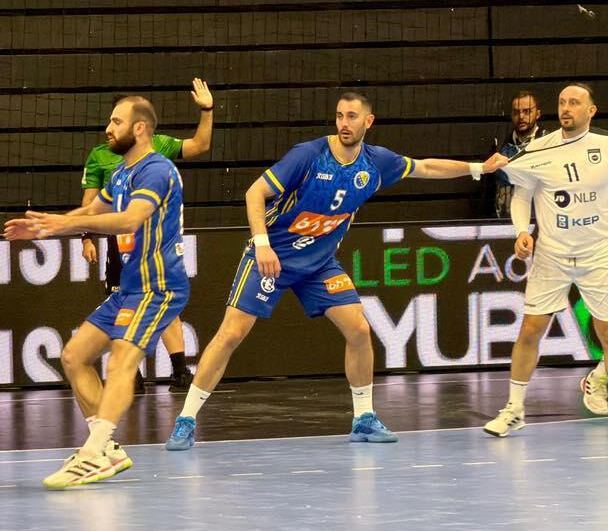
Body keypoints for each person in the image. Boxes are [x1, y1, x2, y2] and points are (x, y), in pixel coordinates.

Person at [163, 92, 506, 451]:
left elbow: (426, 167)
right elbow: (254, 193)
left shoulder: (376, 163)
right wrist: (262, 243)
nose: (344, 123)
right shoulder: (309, 155)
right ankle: (186, 420)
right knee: (231, 333)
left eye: (352, 116)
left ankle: (364, 418)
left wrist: (478, 169)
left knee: (358, 328)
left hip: (319, 263)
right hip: (274, 255)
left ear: (368, 122)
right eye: (340, 115)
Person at [9, 96, 188, 487]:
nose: (108, 128)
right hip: (129, 287)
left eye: (116, 122)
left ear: (139, 128)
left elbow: (130, 219)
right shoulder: (121, 174)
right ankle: (107, 449)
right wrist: (46, 225)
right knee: (74, 356)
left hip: (158, 286)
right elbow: (92, 212)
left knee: (121, 361)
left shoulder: (157, 170)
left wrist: (63, 226)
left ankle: (92, 454)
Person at [483, 83, 608, 436]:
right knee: (530, 329)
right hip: (552, 255)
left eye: (575, 102)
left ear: (591, 111)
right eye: (563, 102)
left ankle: (599, 376)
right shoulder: (538, 149)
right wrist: (522, 231)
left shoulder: (604, 147)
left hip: (598, 253)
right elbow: (522, 196)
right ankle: (514, 409)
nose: (566, 108)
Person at [80, 78, 214, 389]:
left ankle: (179, 369)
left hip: (156, 241)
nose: (111, 126)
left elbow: (200, 145)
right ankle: (131, 373)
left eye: (119, 119)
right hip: (121, 241)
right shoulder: (101, 155)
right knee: (122, 302)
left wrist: (207, 110)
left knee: (162, 301)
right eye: (114, 118)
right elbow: (90, 204)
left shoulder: (159, 147)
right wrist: (85, 236)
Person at [491, 89, 544, 219]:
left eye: (527, 111)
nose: (521, 117)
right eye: (516, 112)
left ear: (537, 114)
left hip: (539, 222)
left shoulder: (548, 143)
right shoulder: (499, 146)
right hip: (504, 223)